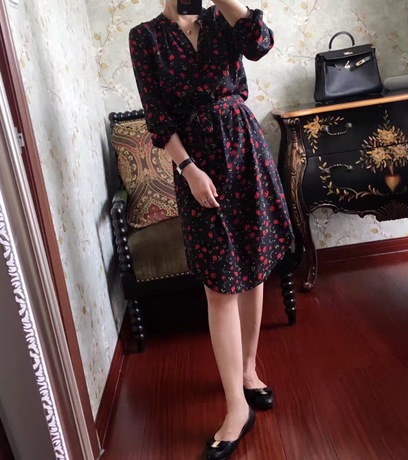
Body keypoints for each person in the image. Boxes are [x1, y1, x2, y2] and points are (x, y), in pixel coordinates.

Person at [129, 1, 293, 458]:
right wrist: (189, 170)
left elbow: (260, 44)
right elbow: (157, 117)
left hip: (244, 149)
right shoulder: (145, 37)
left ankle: (248, 370)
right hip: (197, 165)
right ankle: (236, 407)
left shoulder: (222, 20)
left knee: (255, 269)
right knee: (219, 287)